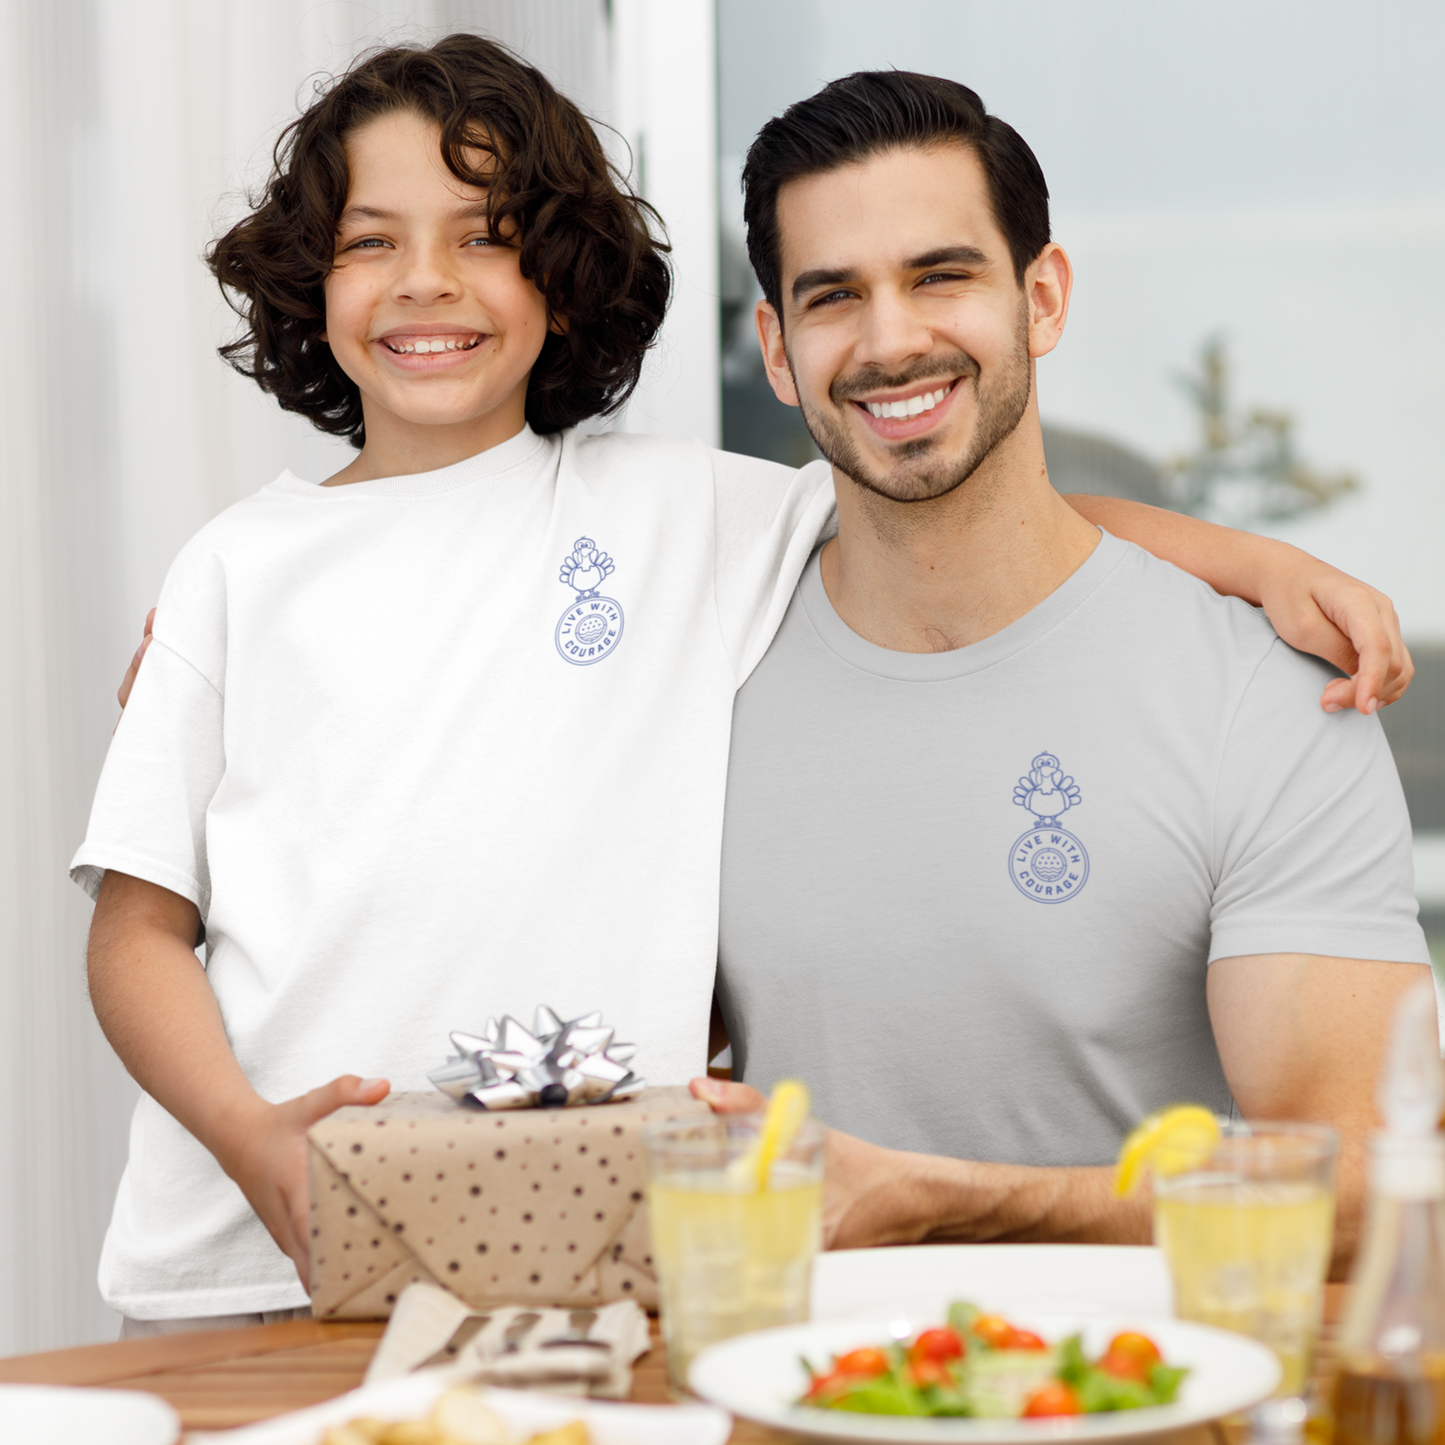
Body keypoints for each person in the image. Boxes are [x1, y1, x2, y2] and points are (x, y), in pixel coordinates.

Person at [90, 38, 1410, 1334]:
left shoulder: (671, 518)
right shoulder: (237, 568)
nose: (425, 282)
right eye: (371, 240)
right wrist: (248, 1136)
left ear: (559, 270)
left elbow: (959, 510)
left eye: (483, 235)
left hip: (595, 1265)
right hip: (263, 1260)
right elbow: (138, 928)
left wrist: (1249, 562)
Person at [689, 71, 1432, 1275]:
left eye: (940, 275)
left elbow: (1359, 1178)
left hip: (1156, 1390)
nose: (889, 341)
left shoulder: (1264, 694)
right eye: (833, 296)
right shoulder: (697, 666)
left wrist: (942, 1198)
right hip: (788, 1387)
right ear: (776, 348)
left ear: (1040, 297)